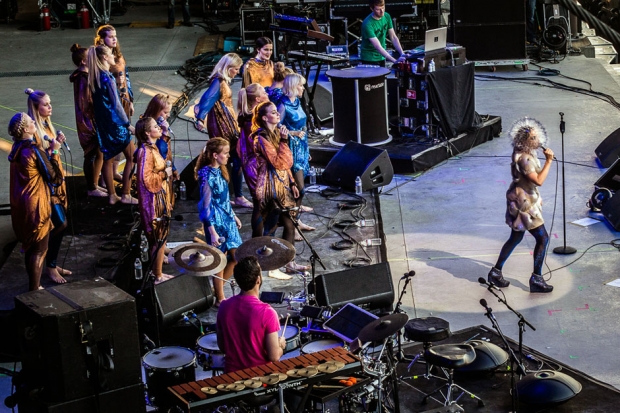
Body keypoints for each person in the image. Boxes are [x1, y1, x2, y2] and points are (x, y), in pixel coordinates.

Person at [488, 117, 554, 293]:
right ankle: (537, 279)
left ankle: (495, 272)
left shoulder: (522, 152)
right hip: (524, 204)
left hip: (520, 198)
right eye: (532, 138)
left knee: (515, 238)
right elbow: (538, 180)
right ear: (524, 141)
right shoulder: (525, 158)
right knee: (543, 238)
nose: (537, 141)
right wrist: (549, 161)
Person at [251, 101, 310, 273]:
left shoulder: (277, 132)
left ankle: (289, 264)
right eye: (274, 112)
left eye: (277, 112)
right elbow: (278, 162)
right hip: (270, 187)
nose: (278, 114)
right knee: (269, 226)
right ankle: (263, 262)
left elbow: (286, 166)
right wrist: (284, 141)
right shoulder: (261, 137)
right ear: (265, 117)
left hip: (283, 185)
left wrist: (292, 182)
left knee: (290, 225)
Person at [8, 113, 64, 291]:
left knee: (30, 247)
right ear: (26, 129)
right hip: (36, 204)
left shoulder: (16, 148)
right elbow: (54, 177)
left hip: (21, 203)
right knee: (39, 249)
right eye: (31, 122)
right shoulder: (32, 149)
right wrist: (54, 152)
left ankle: (35, 285)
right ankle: (35, 289)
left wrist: (46, 155)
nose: (34, 122)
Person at [194, 53, 253, 209]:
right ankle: (231, 196)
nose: (237, 72)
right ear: (228, 67)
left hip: (228, 124)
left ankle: (233, 195)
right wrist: (200, 116)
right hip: (223, 127)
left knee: (234, 160)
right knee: (228, 160)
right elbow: (208, 98)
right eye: (236, 69)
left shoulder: (221, 81)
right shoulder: (219, 82)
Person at [25, 89, 72, 283]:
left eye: (50, 103)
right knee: (60, 223)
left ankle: (51, 262)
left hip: (55, 180)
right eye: (45, 104)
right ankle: (48, 265)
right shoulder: (33, 131)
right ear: (36, 108)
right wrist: (53, 150)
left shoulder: (46, 124)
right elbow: (41, 161)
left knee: (61, 223)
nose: (50, 107)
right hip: (45, 186)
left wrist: (58, 142)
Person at [216, 256, 286, 373]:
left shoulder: (224, 306)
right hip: (260, 378)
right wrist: (281, 346)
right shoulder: (268, 313)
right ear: (258, 279)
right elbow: (274, 357)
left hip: (231, 376)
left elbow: (222, 347)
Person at [87, 44, 137, 205]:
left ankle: (112, 195)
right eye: (110, 54)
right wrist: (127, 124)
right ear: (104, 57)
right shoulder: (107, 77)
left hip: (103, 124)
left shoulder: (94, 76)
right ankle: (126, 194)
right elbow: (116, 104)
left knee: (107, 158)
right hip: (115, 123)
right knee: (132, 156)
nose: (113, 56)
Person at [195, 138, 243, 305]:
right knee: (220, 260)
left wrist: (233, 215)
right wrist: (212, 231)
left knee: (237, 256)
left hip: (228, 219)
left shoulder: (221, 170)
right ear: (215, 155)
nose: (228, 156)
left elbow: (224, 198)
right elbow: (205, 207)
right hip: (216, 222)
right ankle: (220, 298)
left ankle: (217, 289)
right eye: (225, 153)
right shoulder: (206, 175)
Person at [134, 117, 174, 284]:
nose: (159, 128)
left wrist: (164, 134)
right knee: (157, 238)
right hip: (153, 201)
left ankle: (157, 272)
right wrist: (165, 174)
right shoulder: (146, 151)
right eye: (155, 127)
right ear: (147, 132)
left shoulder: (152, 148)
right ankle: (157, 275)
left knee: (161, 237)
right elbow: (146, 178)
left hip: (160, 197)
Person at [277, 73, 315, 233]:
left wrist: (307, 151)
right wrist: (292, 134)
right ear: (293, 87)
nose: (303, 88)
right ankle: (292, 223)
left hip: (301, 147)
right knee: (299, 188)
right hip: (290, 149)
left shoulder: (297, 101)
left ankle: (296, 221)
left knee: (300, 188)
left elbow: (302, 126)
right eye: (300, 86)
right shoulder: (282, 104)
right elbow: (276, 126)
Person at [70, 44, 107, 198]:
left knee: (98, 151)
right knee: (91, 153)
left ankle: (95, 183)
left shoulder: (85, 76)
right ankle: (92, 187)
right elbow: (85, 103)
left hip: (90, 119)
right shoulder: (83, 79)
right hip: (88, 121)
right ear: (84, 62)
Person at [143, 94, 179, 209]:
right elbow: (160, 153)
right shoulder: (151, 129)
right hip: (156, 174)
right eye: (165, 112)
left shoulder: (158, 127)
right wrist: (164, 132)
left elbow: (167, 153)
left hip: (164, 169)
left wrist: (173, 168)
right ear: (156, 110)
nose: (167, 116)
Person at [360, 0, 406, 66]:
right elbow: (377, 46)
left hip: (382, 56)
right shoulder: (367, 24)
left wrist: (402, 53)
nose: (382, 11)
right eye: (378, 9)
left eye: (383, 8)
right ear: (371, 9)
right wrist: (395, 61)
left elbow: (393, 37)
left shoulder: (387, 16)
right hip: (369, 58)